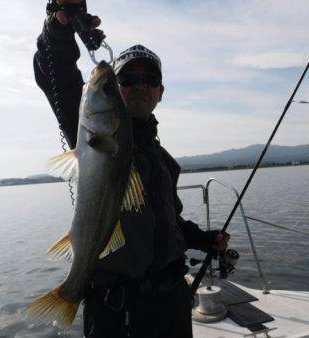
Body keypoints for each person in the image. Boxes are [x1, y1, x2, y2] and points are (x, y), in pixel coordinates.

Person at [33, 1, 229, 337]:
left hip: (172, 304)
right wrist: (60, 27)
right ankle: (69, 290)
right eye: (127, 79)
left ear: (160, 93)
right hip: (117, 310)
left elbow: (167, 220)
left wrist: (201, 238)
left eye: (149, 79)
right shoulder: (92, 129)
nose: (140, 85)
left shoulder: (163, 160)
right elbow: (57, 75)